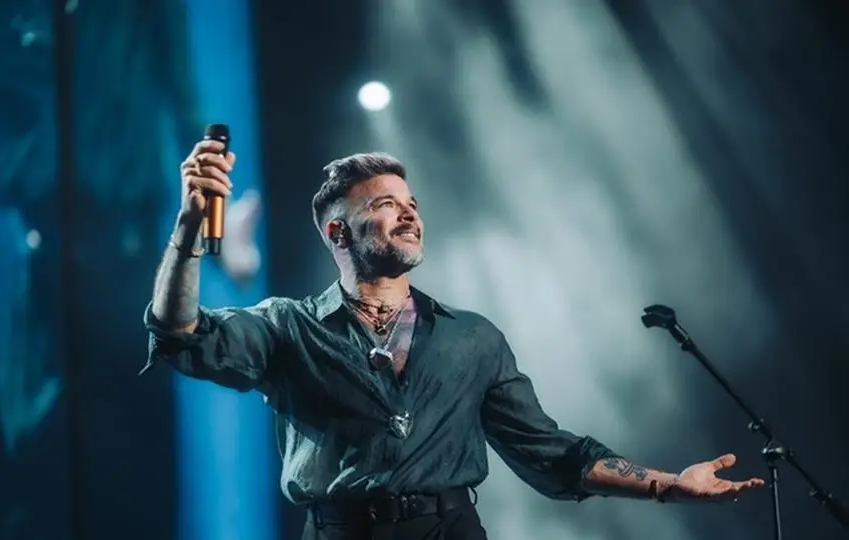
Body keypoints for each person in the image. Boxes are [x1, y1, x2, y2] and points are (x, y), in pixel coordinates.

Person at [143, 142, 765, 539]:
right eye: (387, 204)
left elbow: (551, 452)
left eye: (412, 202)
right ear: (338, 230)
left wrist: (666, 484)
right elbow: (181, 333)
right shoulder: (287, 326)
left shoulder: (473, 338)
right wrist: (188, 233)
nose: (410, 212)